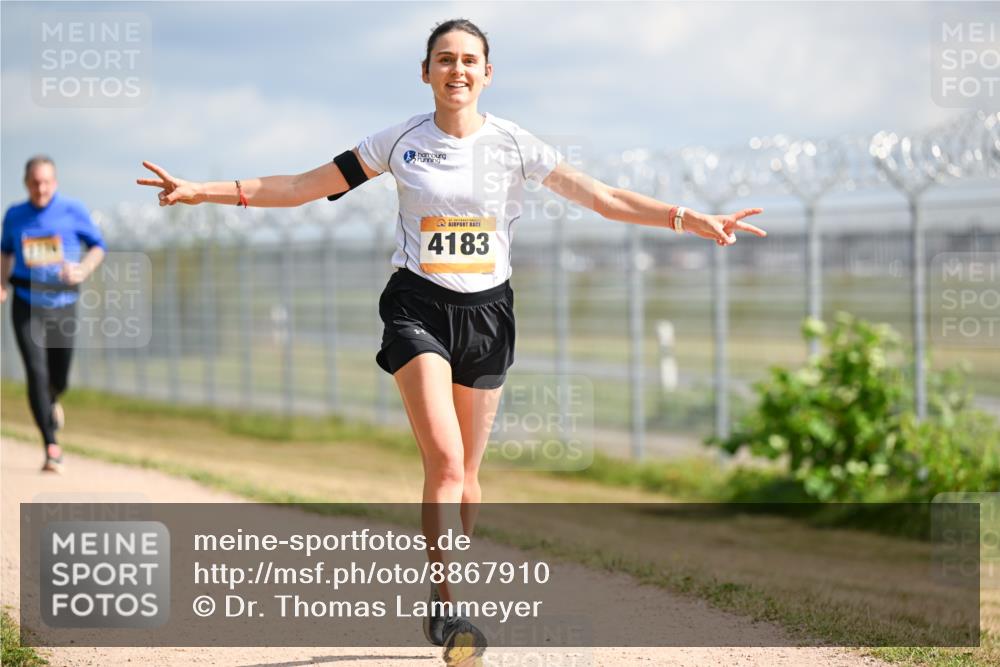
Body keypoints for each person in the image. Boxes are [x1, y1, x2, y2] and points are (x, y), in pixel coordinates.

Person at [137, 18, 766, 665]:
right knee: (441, 457)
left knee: (467, 475)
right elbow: (303, 186)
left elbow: (602, 197)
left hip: (489, 313)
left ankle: (446, 575)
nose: (457, 70)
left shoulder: (515, 144)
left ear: (487, 74)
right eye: (444, 59)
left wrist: (690, 218)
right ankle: (448, 599)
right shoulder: (399, 141)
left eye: (469, 60)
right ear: (425, 72)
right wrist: (202, 191)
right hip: (417, 307)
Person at [1, 155, 106, 473]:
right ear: (26, 183)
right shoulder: (15, 215)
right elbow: (4, 251)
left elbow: (98, 246)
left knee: (57, 377)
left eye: (46, 182)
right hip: (26, 303)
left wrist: (83, 269)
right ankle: (51, 445)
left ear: (55, 183)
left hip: (62, 304)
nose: (40, 188)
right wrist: (2, 283)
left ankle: (53, 398)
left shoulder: (72, 210)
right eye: (35, 182)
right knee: (36, 371)